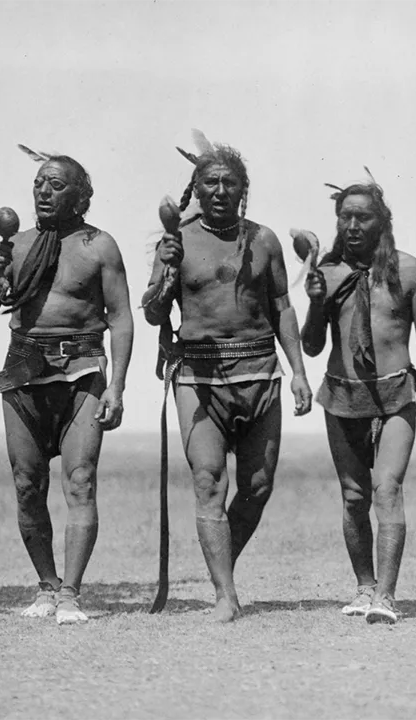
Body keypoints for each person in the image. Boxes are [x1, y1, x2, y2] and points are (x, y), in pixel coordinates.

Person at [142, 132, 312, 623]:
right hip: (198, 377)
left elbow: (281, 308)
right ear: (196, 188)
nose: (220, 190)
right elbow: (153, 314)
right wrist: (167, 274)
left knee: (258, 485)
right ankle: (225, 595)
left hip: (260, 372)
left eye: (229, 183)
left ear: (244, 190)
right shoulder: (175, 242)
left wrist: (298, 372)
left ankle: (223, 566)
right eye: (210, 182)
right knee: (208, 480)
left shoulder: (264, 240)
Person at [0, 149, 133, 625]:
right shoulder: (16, 246)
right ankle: (46, 585)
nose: (43, 191)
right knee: (27, 485)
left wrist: (117, 388)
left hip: (82, 370)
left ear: (81, 196)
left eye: (57, 185)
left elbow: (121, 320)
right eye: (40, 182)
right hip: (23, 370)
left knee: (80, 481)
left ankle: (71, 595)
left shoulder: (99, 246)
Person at [299, 176, 416, 624]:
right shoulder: (328, 273)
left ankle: (386, 595)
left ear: (383, 221)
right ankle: (363, 586)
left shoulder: (409, 270)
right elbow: (312, 345)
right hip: (342, 395)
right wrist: (316, 302)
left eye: (364, 216)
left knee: (388, 489)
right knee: (354, 495)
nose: (354, 224)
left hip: (397, 392)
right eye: (346, 216)